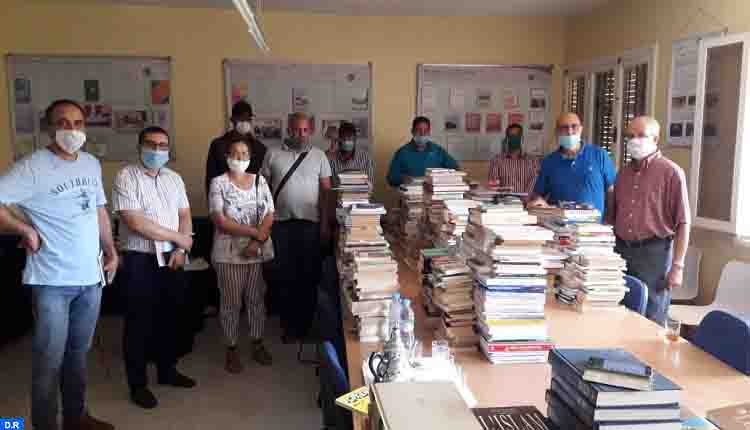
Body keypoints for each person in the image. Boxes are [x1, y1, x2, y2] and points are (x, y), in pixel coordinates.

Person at [0, 99, 117, 430]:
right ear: (49, 128)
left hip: (91, 278)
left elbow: (98, 210)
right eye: (63, 123)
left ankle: (76, 418)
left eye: (78, 123)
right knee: (48, 362)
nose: (72, 130)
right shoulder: (33, 166)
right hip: (52, 282)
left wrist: (111, 250)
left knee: (78, 356)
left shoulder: (91, 163)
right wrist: (24, 229)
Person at [112, 126, 196, 409]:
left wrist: (181, 249)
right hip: (140, 258)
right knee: (139, 322)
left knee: (170, 317)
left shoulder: (174, 178)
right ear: (139, 147)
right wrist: (179, 239)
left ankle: (167, 370)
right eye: (151, 144)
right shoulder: (126, 176)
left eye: (163, 145)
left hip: (172, 257)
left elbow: (185, 215)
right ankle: (138, 384)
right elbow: (135, 222)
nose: (157, 150)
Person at [611, 116, 691, 325]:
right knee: (621, 312)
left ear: (655, 139)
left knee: (651, 316)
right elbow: (613, 216)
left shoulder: (671, 172)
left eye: (641, 135)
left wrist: (678, 266)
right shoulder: (623, 174)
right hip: (622, 250)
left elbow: (683, 222)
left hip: (653, 255)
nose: (634, 140)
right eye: (630, 136)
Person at [261, 112, 332, 343]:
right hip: (280, 226)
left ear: (310, 131)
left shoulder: (319, 156)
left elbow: (326, 194)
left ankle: (307, 326)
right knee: (284, 277)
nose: (300, 134)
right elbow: (262, 190)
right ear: (288, 130)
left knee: (309, 277)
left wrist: (324, 224)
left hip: (310, 226)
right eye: (296, 130)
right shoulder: (272, 154)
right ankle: (289, 326)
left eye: (304, 130)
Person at [209, 138, 275, 373]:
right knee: (231, 302)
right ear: (227, 156)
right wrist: (254, 233)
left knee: (256, 299)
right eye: (235, 153)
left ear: (250, 157)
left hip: (256, 252)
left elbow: (270, 214)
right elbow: (220, 220)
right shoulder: (218, 183)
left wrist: (256, 242)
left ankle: (257, 342)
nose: (240, 158)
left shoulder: (260, 181)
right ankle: (231, 347)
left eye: (244, 153)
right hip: (229, 254)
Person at [527, 112, 616, 220]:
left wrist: (609, 220)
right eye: (564, 128)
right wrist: (540, 204)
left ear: (581, 129)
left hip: (593, 227)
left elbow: (612, 191)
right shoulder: (549, 161)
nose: (569, 131)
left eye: (574, 126)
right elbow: (537, 195)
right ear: (557, 132)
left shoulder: (599, 155)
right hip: (559, 226)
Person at [205, 100, 267, 194]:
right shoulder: (218, 146)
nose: (244, 122)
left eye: (247, 119)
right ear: (232, 120)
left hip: (252, 198)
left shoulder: (259, 148)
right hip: (225, 197)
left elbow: (264, 180)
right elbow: (210, 178)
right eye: (241, 119)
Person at [386, 116, 459, 187]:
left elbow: (455, 169)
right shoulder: (402, 153)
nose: (422, 134)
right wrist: (402, 178)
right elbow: (391, 178)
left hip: (434, 192)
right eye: (419, 130)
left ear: (429, 132)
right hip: (411, 192)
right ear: (412, 131)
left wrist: (441, 177)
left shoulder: (438, 151)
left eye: (425, 131)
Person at [487, 123, 540, 193]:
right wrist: (502, 196)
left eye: (517, 135)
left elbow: (534, 185)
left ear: (522, 138)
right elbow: (493, 186)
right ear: (506, 139)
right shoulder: (497, 160)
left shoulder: (533, 161)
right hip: (503, 199)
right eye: (511, 136)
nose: (514, 138)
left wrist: (525, 198)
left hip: (526, 199)